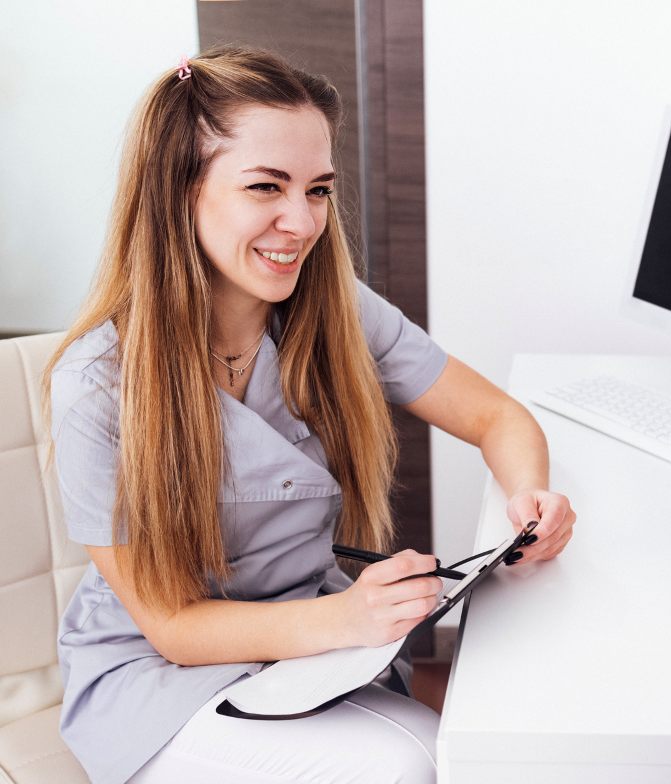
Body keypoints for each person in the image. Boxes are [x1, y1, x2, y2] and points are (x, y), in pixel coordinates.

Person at [44, 45, 576, 784]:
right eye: (267, 186)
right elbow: (170, 626)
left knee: (457, 749)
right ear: (179, 191)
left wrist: (531, 497)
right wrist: (344, 621)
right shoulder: (97, 387)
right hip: (159, 678)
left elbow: (498, 419)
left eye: (319, 189)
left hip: (303, 648)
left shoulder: (334, 312)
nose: (301, 221)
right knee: (409, 762)